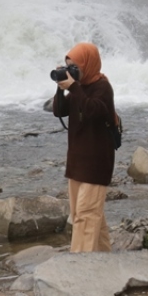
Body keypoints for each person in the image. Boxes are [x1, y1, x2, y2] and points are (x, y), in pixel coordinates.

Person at [52, 42, 116, 253]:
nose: (72, 71)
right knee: (85, 214)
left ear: (88, 65)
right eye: (68, 66)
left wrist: (73, 87)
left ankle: (78, 267)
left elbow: (92, 110)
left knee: (85, 216)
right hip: (78, 161)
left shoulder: (102, 88)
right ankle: (105, 261)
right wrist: (61, 87)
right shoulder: (80, 88)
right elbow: (59, 111)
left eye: (74, 67)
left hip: (96, 163)